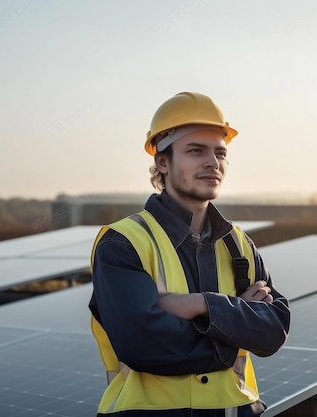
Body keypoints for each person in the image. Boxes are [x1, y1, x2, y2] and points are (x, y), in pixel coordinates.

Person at [88, 91, 291, 416]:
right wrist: (237, 327)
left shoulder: (239, 244)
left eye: (220, 153)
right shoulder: (123, 243)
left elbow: (274, 329)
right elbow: (145, 345)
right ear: (162, 162)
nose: (213, 162)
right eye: (196, 151)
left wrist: (201, 305)